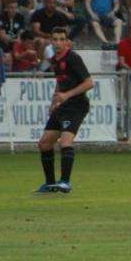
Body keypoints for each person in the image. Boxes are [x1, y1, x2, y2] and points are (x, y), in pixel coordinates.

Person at [34, 28, 93, 194]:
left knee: (65, 142)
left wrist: (67, 95)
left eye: (61, 39)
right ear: (51, 42)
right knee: (44, 143)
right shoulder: (54, 60)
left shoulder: (73, 58)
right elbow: (60, 81)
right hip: (63, 105)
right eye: (55, 39)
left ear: (67, 42)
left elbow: (89, 83)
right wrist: (55, 100)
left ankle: (65, 182)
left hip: (77, 105)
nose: (58, 43)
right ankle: (50, 184)